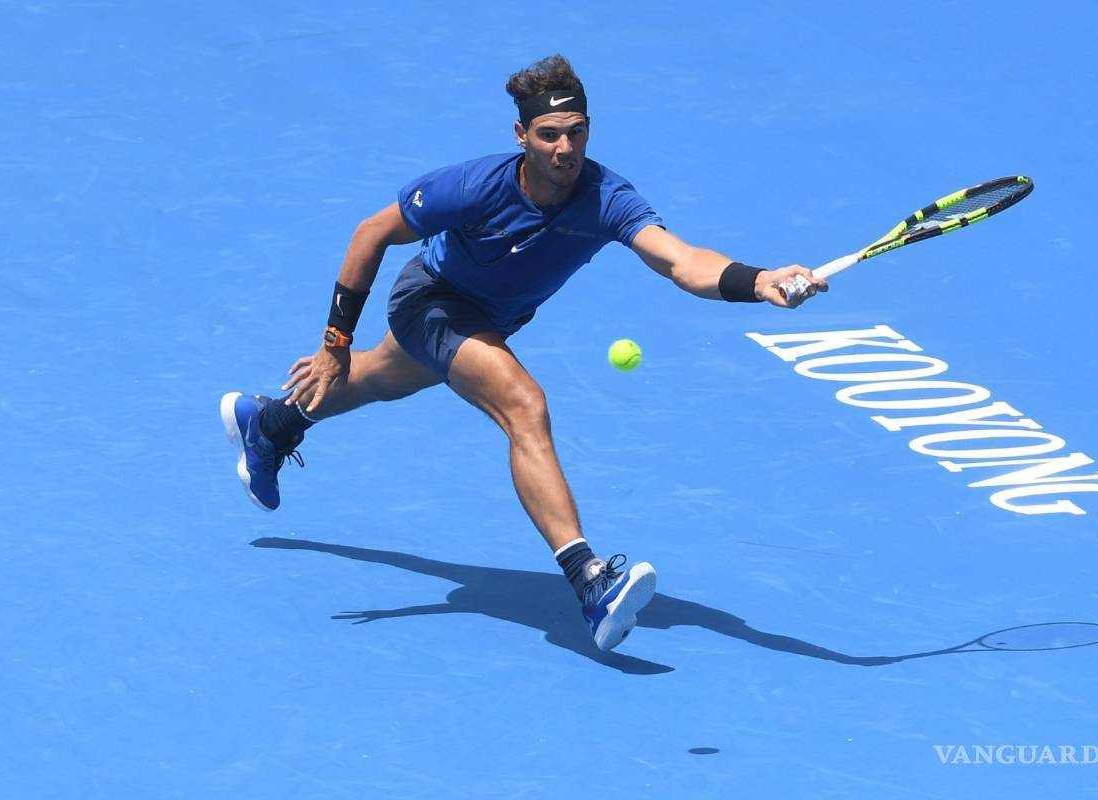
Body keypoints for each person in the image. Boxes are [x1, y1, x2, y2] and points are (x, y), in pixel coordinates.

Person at [220, 54, 827, 652]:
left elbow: (681, 260)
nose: (565, 149)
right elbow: (370, 233)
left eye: (577, 132)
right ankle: (591, 582)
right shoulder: (472, 186)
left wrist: (759, 279)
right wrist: (334, 344)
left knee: (376, 381)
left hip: (491, 320)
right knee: (523, 405)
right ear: (522, 135)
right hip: (431, 301)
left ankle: (270, 423)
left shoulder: (605, 196)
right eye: (549, 135)